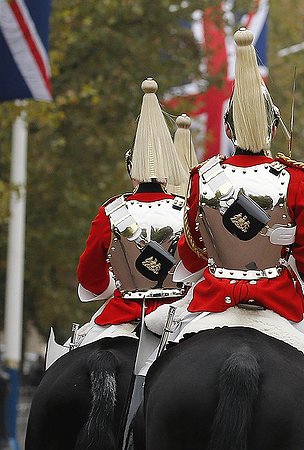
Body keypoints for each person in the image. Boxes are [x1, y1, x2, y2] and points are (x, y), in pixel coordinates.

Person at [150, 28, 304, 380]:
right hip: (277, 299)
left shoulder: (202, 177)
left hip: (212, 297)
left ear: (228, 129)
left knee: (152, 368)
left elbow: (191, 253)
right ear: (273, 128)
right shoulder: (293, 178)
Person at [72, 78, 191, 368]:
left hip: (122, 313)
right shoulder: (187, 209)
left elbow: (90, 276)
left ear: (131, 167)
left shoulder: (110, 211)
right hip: (176, 315)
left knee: (72, 353)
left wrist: (119, 282)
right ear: (170, 167)